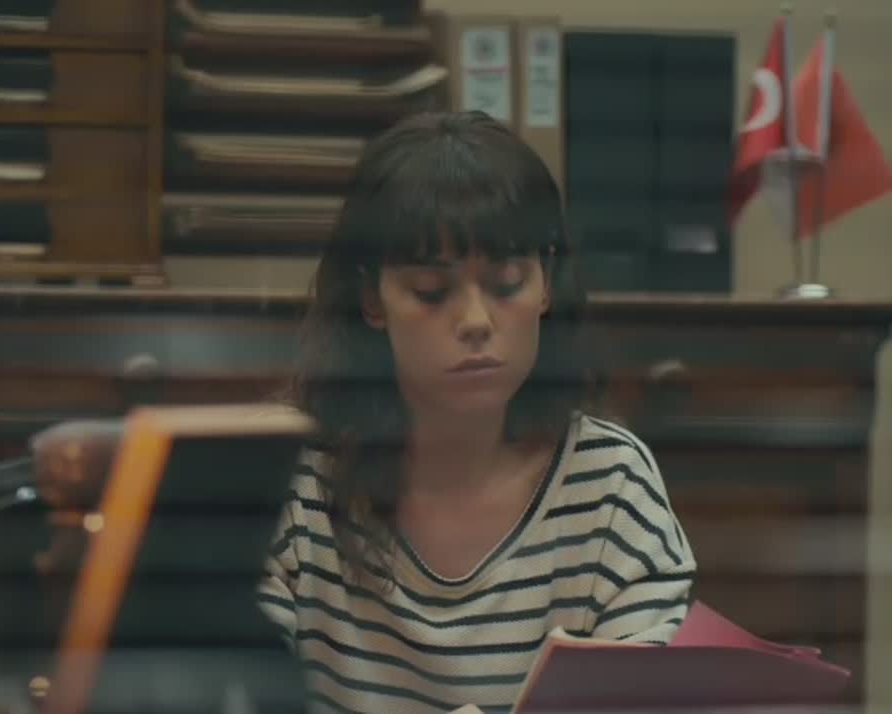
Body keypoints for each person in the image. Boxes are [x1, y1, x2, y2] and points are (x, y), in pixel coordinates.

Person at [257, 111, 696, 714]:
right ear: (371, 299)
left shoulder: (612, 484)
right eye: (431, 292)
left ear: (546, 284)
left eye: (507, 283)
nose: (475, 321)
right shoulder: (292, 477)